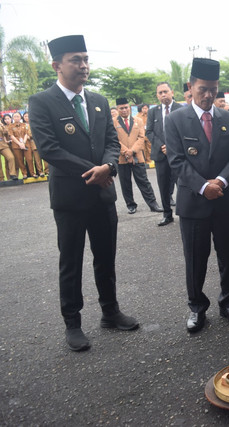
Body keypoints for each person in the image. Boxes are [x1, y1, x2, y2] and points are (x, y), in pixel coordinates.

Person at [29, 35, 138, 352]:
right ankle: (72, 323)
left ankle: (110, 311)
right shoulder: (42, 102)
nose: (83, 65)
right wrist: (95, 170)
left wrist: (108, 165)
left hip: (102, 195)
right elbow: (49, 149)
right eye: (75, 59)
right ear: (56, 65)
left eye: (85, 59)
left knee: (105, 257)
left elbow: (111, 142)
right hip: (70, 199)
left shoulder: (99, 101)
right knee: (71, 261)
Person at [164, 58, 229, 332]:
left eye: (213, 89)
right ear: (190, 87)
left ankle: (228, 302)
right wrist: (202, 186)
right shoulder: (176, 120)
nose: (209, 95)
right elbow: (176, 162)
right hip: (193, 202)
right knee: (195, 259)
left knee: (228, 256)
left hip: (223, 199)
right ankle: (197, 307)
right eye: (202, 89)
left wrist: (220, 182)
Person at [113, 97, 162, 214]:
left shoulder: (138, 120)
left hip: (137, 157)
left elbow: (141, 138)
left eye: (126, 107)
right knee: (125, 183)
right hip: (122, 158)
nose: (124, 110)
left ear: (129, 108)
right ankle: (130, 205)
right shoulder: (113, 122)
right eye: (121, 108)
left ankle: (153, 203)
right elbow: (114, 139)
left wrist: (132, 151)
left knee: (143, 181)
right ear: (118, 109)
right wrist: (126, 152)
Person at [146, 82, 183, 226]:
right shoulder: (153, 112)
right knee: (163, 185)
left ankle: (184, 212)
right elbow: (149, 132)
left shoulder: (181, 109)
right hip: (161, 155)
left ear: (172, 92)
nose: (163, 95)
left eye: (165, 91)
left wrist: (172, 147)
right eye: (160, 92)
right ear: (157, 95)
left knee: (182, 183)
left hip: (178, 155)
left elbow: (184, 131)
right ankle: (167, 214)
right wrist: (162, 145)